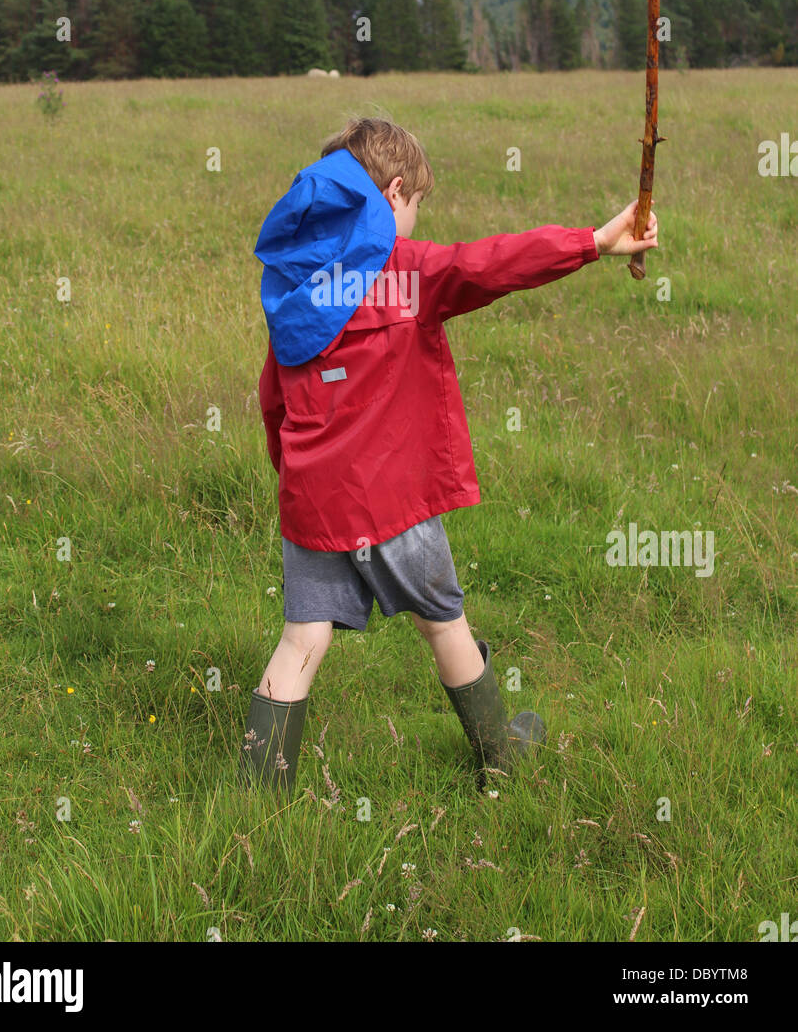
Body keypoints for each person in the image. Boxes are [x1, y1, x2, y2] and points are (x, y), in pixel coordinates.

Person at [241, 117, 658, 794]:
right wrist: (592, 243)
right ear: (395, 192)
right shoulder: (406, 273)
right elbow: (488, 263)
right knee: (444, 623)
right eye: (416, 205)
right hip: (397, 501)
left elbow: (271, 399)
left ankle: (258, 796)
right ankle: (501, 755)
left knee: (300, 641)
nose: (415, 219)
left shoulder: (292, 286)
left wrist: (292, 478)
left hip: (315, 499)